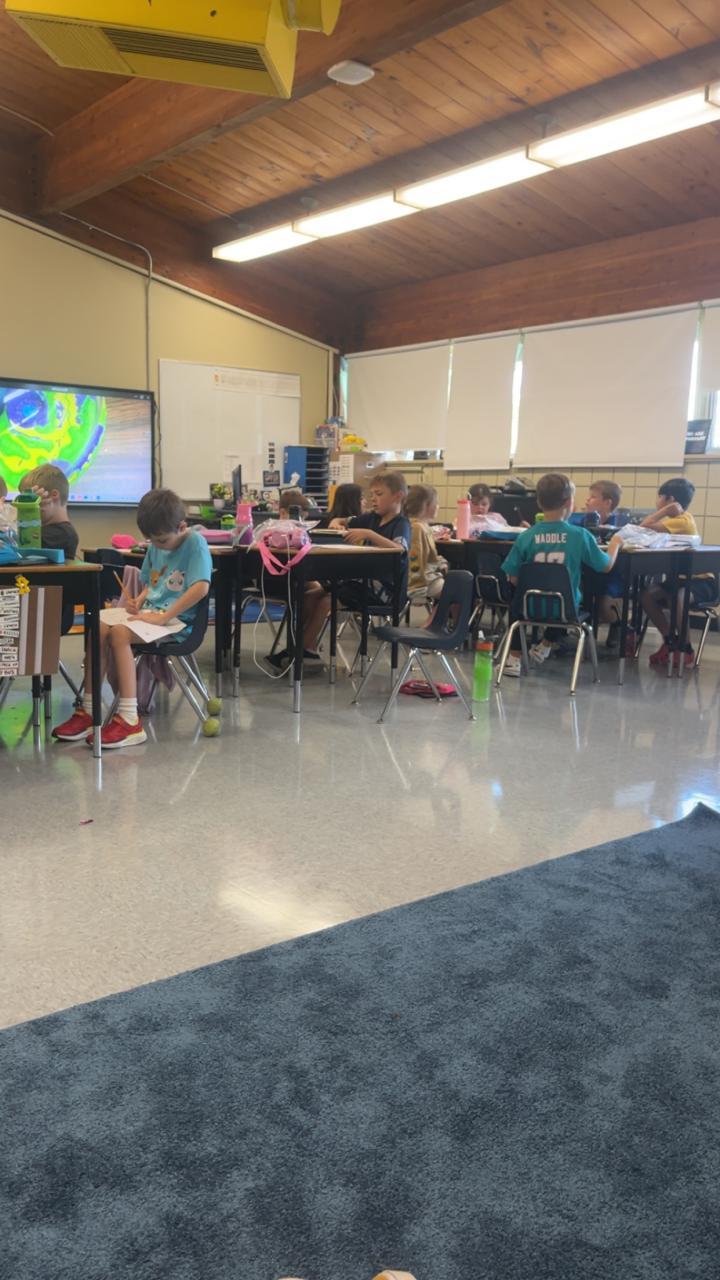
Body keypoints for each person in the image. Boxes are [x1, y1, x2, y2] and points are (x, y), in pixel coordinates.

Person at [52, 488, 212, 749]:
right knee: (98, 627)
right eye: (153, 541)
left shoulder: (195, 543)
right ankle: (90, 709)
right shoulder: (157, 544)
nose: (157, 546)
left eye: (162, 541)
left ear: (182, 527)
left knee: (119, 633)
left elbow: (201, 588)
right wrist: (139, 599)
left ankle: (129, 719)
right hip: (153, 616)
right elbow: (154, 581)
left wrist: (163, 617)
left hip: (178, 623)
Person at [500, 472, 622, 677]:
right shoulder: (580, 536)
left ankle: (514, 659)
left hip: (528, 608)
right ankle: (547, 643)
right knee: (568, 595)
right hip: (565, 609)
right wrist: (615, 544)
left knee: (519, 600)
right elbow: (606, 566)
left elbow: (513, 578)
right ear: (569, 502)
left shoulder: (525, 537)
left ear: (538, 502)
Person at [287, 470, 410, 664]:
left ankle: (302, 650)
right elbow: (343, 520)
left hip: (384, 591)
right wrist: (336, 522)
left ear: (398, 496)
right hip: (361, 584)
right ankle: (303, 646)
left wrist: (369, 534)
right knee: (310, 595)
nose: (373, 499)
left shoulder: (401, 524)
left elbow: (400, 549)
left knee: (327, 601)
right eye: (372, 495)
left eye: (379, 494)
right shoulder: (371, 518)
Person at [639, 478, 712, 669]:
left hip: (701, 582)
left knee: (678, 597)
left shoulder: (682, 520)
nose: (657, 501)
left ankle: (685, 648)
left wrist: (663, 511)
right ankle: (669, 639)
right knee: (646, 595)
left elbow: (644, 525)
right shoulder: (673, 522)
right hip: (678, 580)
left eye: (660, 498)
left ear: (670, 499)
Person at [584, 480, 625, 643]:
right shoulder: (583, 522)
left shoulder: (619, 526)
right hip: (586, 573)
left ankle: (618, 623)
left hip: (611, 575)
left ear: (608, 503)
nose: (587, 500)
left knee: (603, 607)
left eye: (593, 497)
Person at [19, 464, 79, 559]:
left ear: (53, 495)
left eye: (30, 501)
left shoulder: (61, 534)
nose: (25, 507)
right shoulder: (46, 531)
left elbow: (19, 543)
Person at [405, 484, 448, 601]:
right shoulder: (417, 528)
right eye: (436, 503)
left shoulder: (423, 526)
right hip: (422, 582)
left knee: (458, 583)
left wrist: (441, 563)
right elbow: (415, 559)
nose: (438, 506)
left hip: (428, 576)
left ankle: (439, 612)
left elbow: (431, 557)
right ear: (426, 505)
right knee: (459, 589)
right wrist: (417, 587)